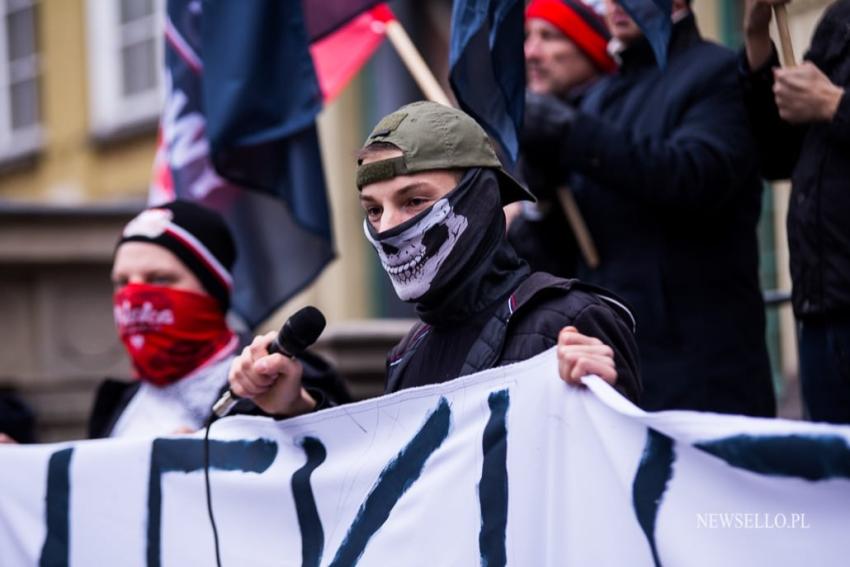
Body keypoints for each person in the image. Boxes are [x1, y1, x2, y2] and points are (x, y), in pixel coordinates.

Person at [227, 101, 641, 416]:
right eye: (373, 209)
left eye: (414, 200)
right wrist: (294, 406)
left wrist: (604, 401)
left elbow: (627, 487)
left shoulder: (568, 319)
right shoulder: (409, 352)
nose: (387, 226)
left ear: (478, 202)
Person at [519, 0, 776, 416]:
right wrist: (543, 199)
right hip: (614, 359)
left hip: (701, 364)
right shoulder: (600, 96)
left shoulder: (716, 71)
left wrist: (573, 133)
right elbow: (569, 249)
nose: (616, 5)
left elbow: (697, 178)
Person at [89, 200, 347, 438]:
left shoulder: (274, 377)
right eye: (122, 282)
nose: (134, 297)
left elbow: (346, 458)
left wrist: (295, 409)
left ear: (212, 289)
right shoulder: (115, 401)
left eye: (159, 279)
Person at [740, 0, 850, 422]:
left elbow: (829, 109)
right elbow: (781, 157)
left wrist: (835, 106)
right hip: (822, 308)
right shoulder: (837, 21)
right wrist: (756, 37)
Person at [508, 0, 616, 277]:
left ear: (589, 46)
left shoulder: (620, 125)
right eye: (527, 36)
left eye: (549, 36)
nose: (530, 52)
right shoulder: (525, 134)